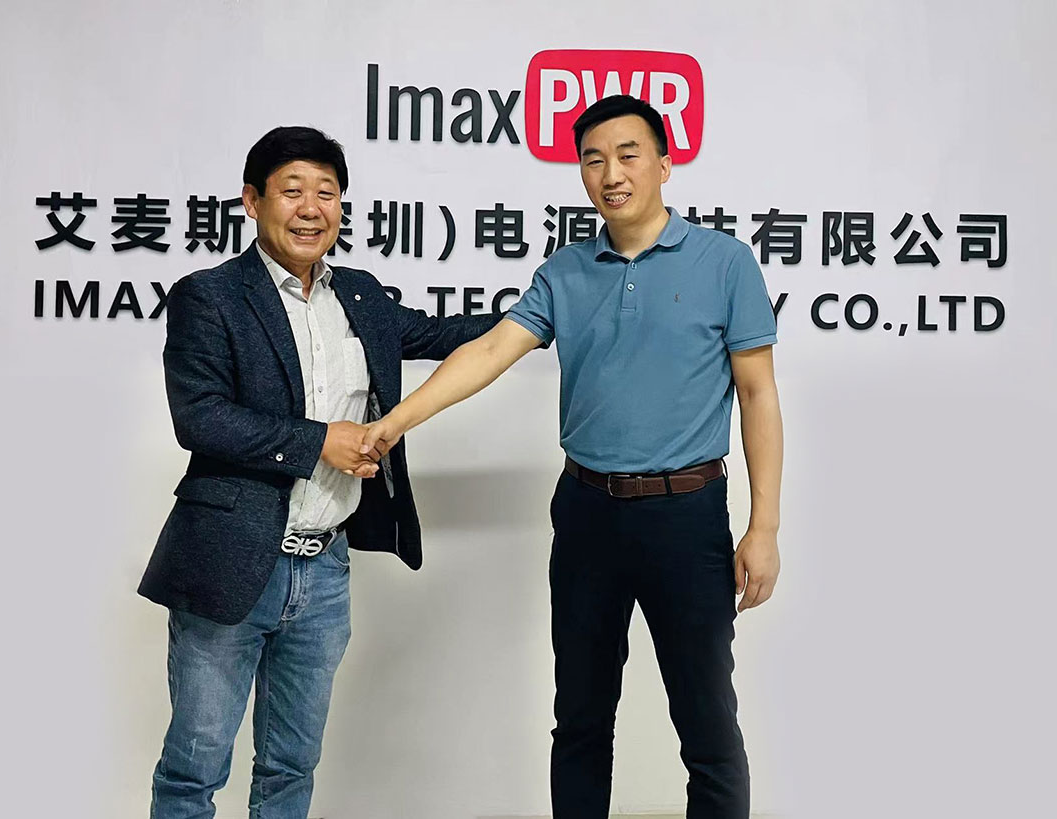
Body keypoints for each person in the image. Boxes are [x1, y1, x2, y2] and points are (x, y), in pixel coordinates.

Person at [361, 95, 784, 818]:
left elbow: (757, 393)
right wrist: (396, 421)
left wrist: (764, 525)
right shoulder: (565, 271)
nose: (610, 174)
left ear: (664, 164)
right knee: (581, 717)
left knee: (707, 723)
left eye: (628, 154)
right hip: (587, 513)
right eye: (593, 160)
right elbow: (491, 350)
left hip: (686, 516)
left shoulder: (725, 262)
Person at [138, 125, 501, 819]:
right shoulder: (209, 296)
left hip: (325, 570)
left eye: (327, 193)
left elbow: (445, 335)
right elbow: (201, 418)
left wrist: (547, 309)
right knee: (194, 767)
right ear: (253, 201)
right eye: (292, 190)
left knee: (291, 765)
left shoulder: (359, 295)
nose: (311, 208)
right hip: (229, 561)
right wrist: (317, 442)